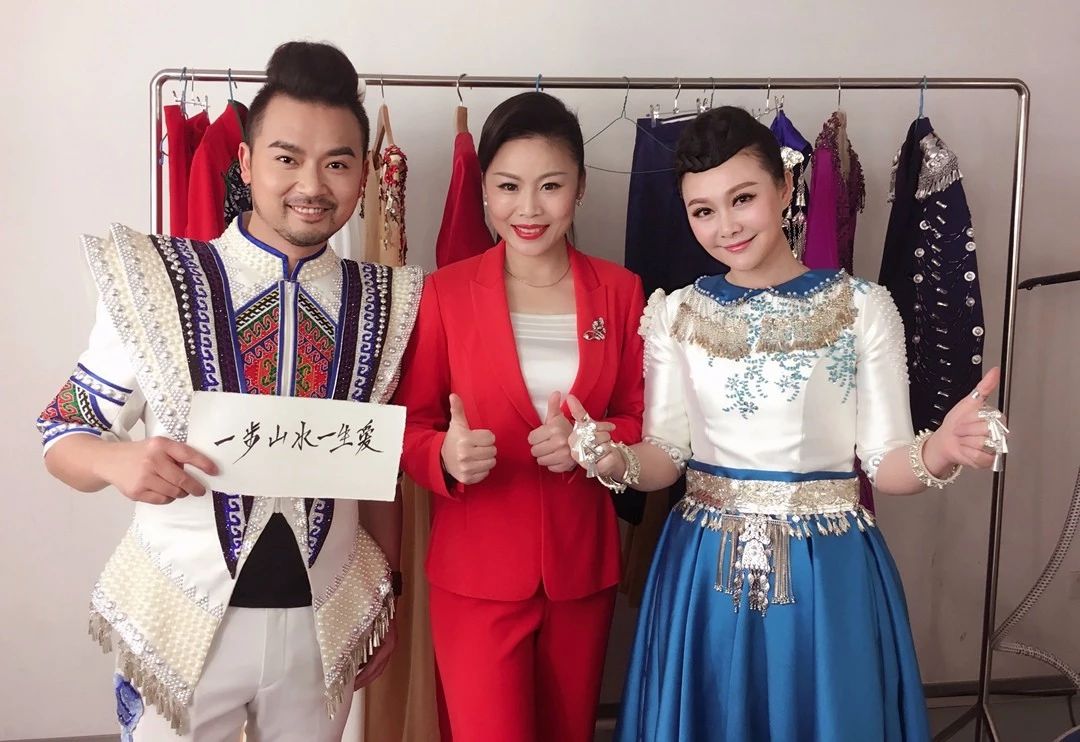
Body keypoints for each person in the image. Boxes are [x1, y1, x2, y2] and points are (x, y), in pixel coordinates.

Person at [566, 105, 1011, 742]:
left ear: (785, 186)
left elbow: (885, 464)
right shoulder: (675, 314)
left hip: (825, 565)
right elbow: (666, 453)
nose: (726, 226)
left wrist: (939, 448)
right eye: (702, 210)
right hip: (703, 564)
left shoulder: (861, 308)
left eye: (742, 198)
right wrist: (618, 461)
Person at [35, 41, 423, 741]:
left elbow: (380, 470)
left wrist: (386, 592)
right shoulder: (156, 279)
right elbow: (63, 430)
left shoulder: (388, 302)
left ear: (364, 175)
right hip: (179, 618)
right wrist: (117, 460)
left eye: (337, 163)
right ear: (245, 163)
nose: (311, 184)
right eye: (286, 158)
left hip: (322, 625)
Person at [393, 91, 645, 742]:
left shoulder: (620, 292)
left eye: (550, 186)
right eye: (508, 186)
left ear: (580, 188)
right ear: (483, 190)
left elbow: (640, 418)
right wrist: (442, 456)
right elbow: (410, 426)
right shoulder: (446, 293)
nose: (528, 209)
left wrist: (591, 441)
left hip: (580, 570)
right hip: (476, 573)